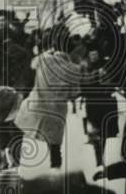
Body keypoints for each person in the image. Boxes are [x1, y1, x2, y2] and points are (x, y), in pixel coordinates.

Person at [14, 26, 82, 169]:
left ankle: (14, 159)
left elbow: (32, 65)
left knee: (18, 127)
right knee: (54, 143)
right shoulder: (75, 69)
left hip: (36, 105)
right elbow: (74, 93)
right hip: (57, 111)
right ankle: (55, 166)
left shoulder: (43, 59)